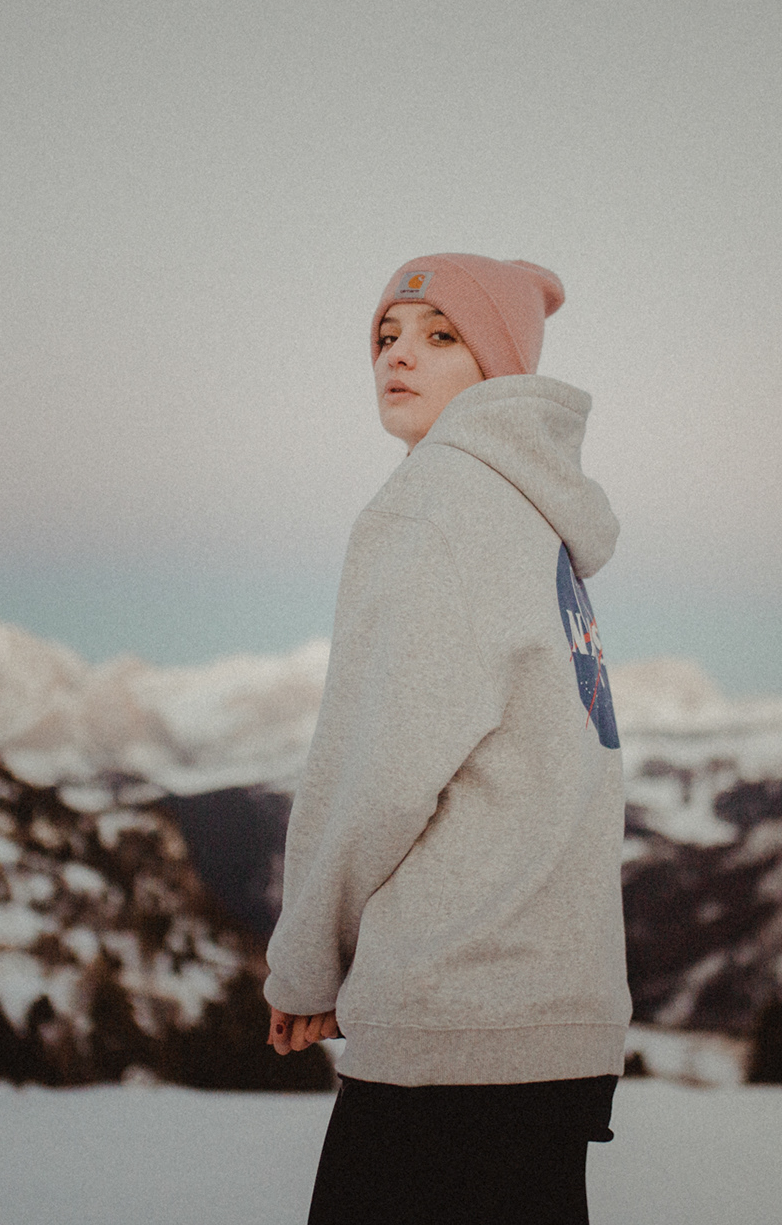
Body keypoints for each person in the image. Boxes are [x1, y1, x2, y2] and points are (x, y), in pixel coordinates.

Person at [264, 253, 631, 1224]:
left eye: (439, 336)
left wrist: (306, 962)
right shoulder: (538, 520)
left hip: (449, 1030)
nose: (398, 355)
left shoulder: (431, 506)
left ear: (496, 366)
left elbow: (375, 772)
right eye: (387, 335)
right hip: (559, 1034)